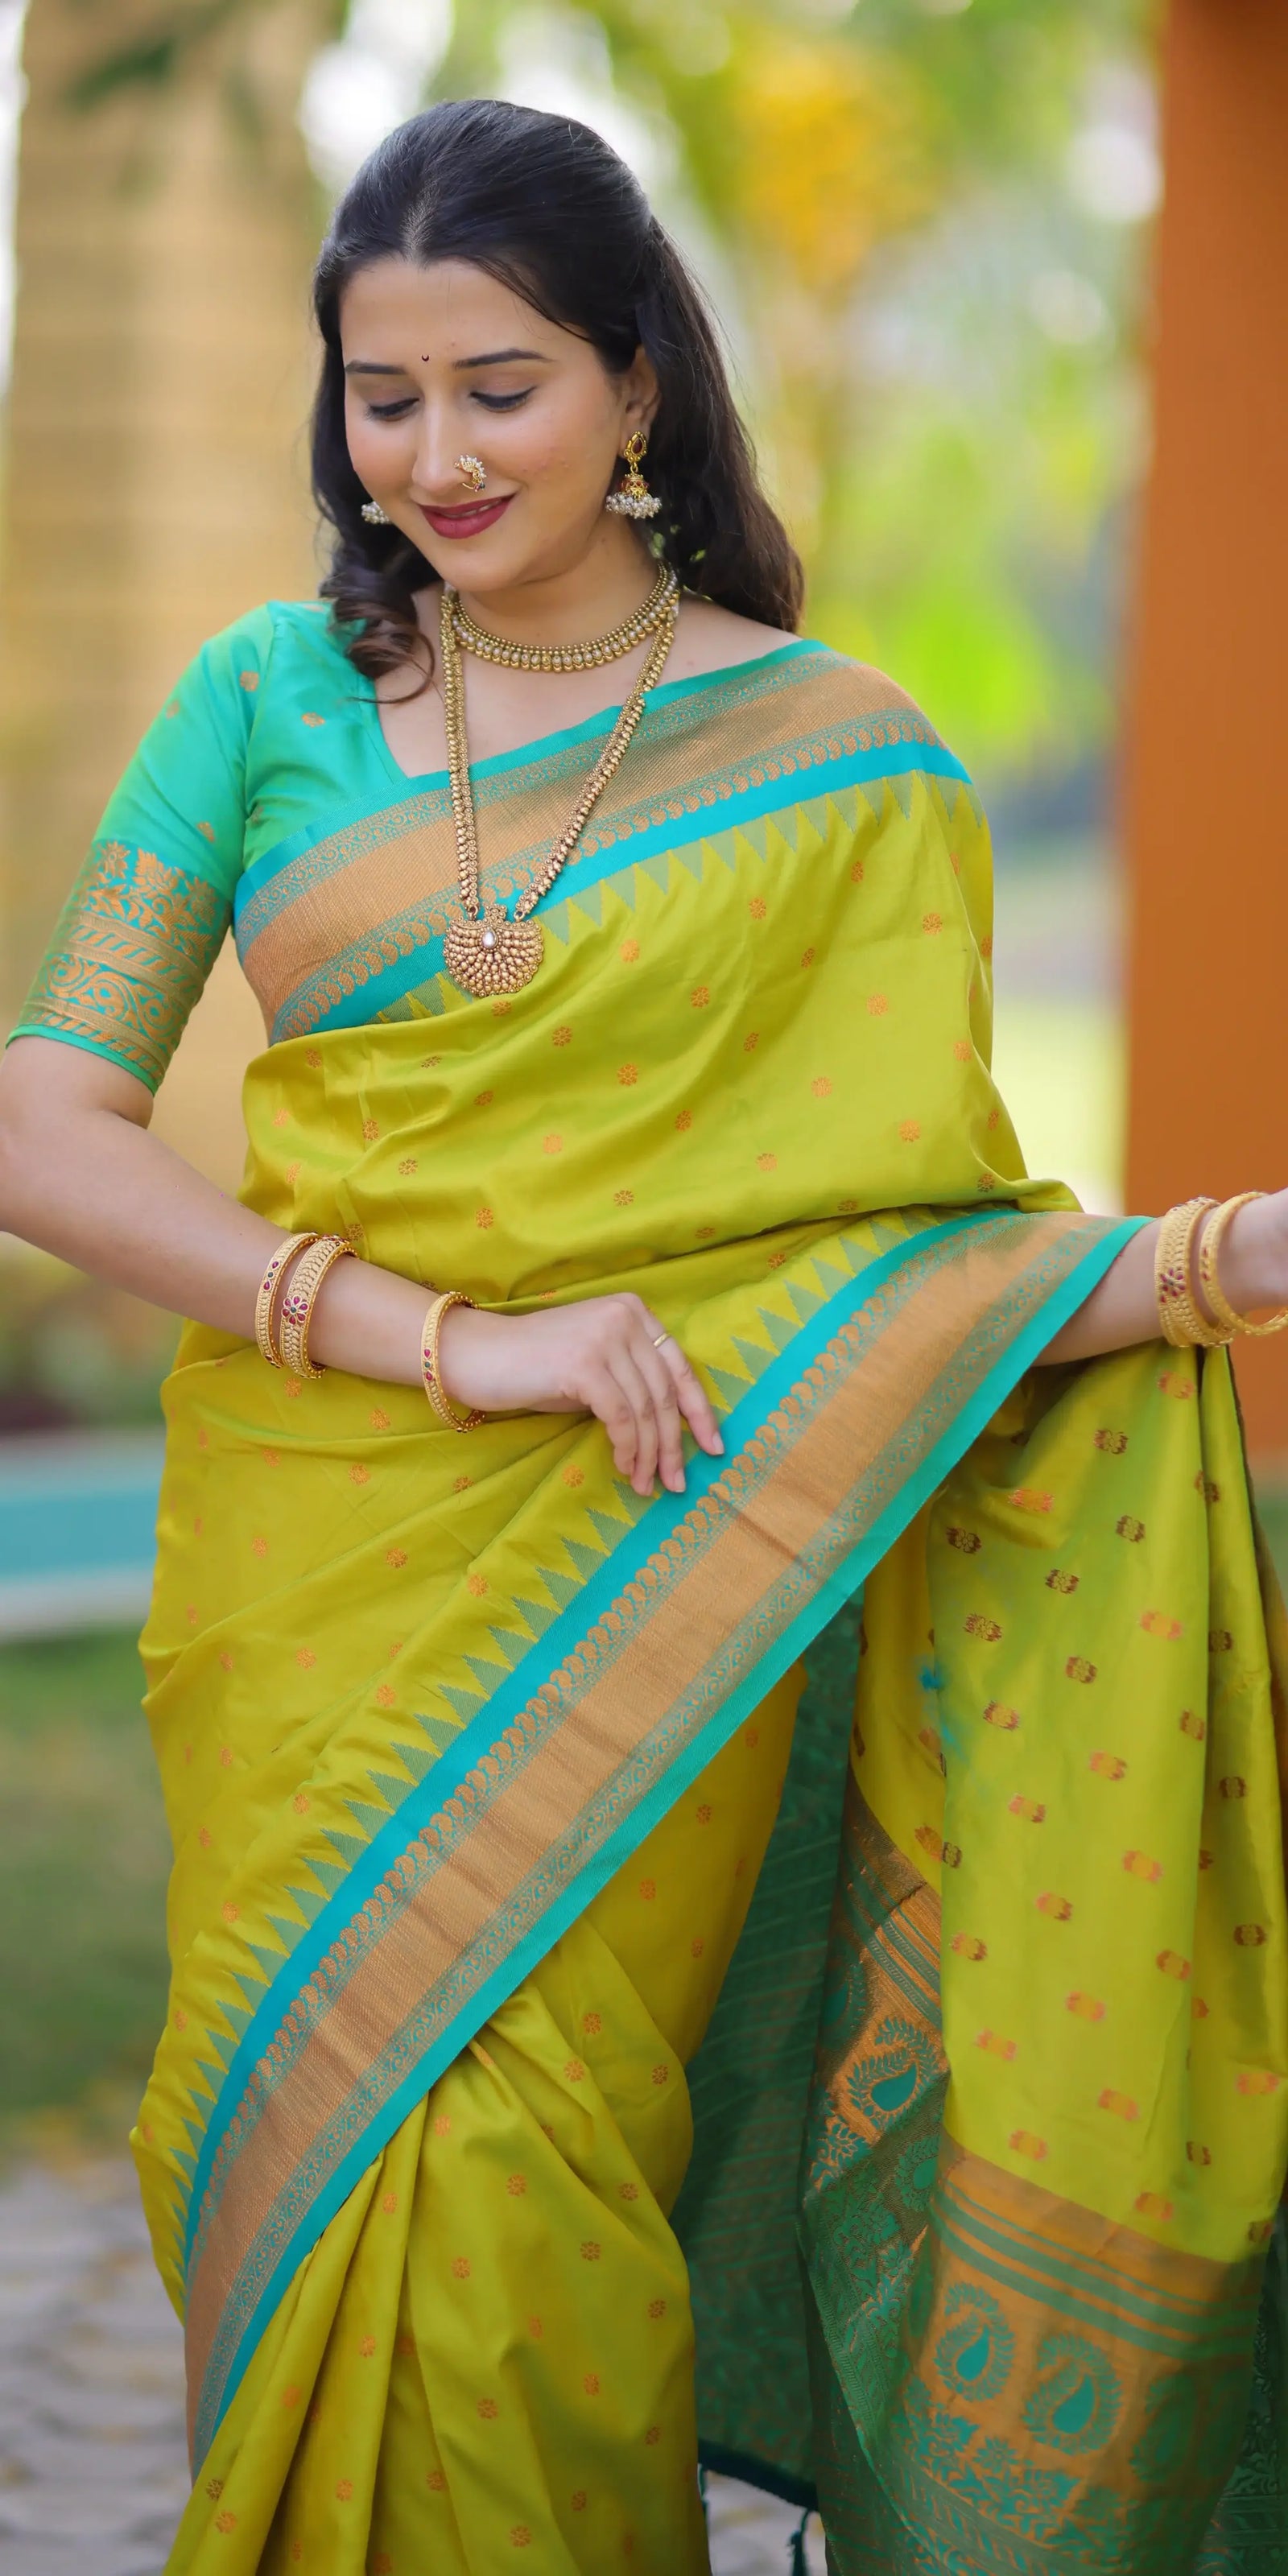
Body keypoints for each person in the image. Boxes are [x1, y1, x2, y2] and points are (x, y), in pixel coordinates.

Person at [0, 95, 1284, 2576]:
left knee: (513, 2185)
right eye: (384, 399)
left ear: (635, 386)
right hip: (320, 1555)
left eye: (500, 388)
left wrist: (1220, 1257)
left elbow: (894, 1264)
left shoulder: (835, 767)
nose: (434, 455)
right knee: (300, 2177)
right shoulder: (264, 698)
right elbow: (46, 1127)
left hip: (656, 1554)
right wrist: (440, 1338)